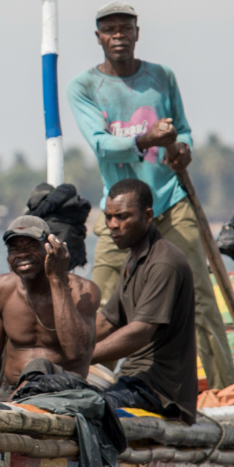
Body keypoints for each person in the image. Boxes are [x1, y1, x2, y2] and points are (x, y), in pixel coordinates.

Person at [67, 0, 234, 392]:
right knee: (103, 299)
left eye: (126, 28)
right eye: (110, 30)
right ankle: (87, 383)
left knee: (198, 297)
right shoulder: (85, 87)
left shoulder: (162, 77)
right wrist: (147, 138)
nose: (118, 36)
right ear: (98, 38)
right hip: (120, 209)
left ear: (138, 33)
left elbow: (184, 132)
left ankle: (224, 389)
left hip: (170, 201)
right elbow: (101, 144)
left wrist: (182, 148)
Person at [90, 178, 198, 424]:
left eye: (122, 217)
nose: (112, 225)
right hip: (133, 380)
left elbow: (140, 332)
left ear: (148, 215)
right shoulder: (132, 259)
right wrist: (61, 346)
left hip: (162, 392)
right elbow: (108, 321)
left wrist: (83, 356)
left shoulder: (164, 263)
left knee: (89, 408)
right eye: (108, 217)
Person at [0, 215, 100, 397]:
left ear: (50, 247)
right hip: (12, 393)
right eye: (14, 249)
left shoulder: (82, 291)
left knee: (39, 365)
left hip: (63, 392)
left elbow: (77, 352)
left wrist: (57, 278)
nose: (22, 254)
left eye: (31, 247)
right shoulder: (4, 288)